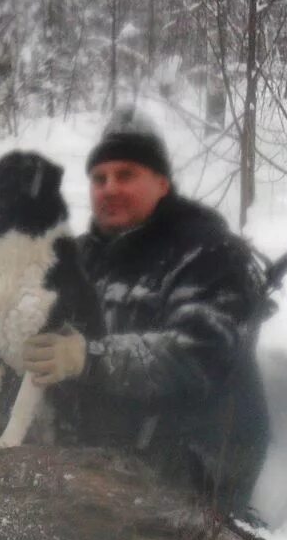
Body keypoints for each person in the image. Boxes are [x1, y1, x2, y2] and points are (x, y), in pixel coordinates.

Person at [23, 111, 273, 512]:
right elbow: (43, 334)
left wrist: (89, 357)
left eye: (126, 175)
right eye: (99, 179)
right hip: (101, 464)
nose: (109, 188)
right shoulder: (82, 257)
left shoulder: (208, 253)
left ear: (162, 183)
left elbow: (196, 357)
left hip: (193, 471)